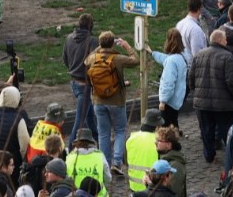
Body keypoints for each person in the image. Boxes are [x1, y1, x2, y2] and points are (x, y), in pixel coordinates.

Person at [83, 30, 139, 174]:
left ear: (100, 44)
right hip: (116, 101)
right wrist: (127, 46)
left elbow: (86, 60)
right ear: (113, 43)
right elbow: (135, 60)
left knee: (103, 134)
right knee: (120, 131)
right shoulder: (118, 58)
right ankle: (117, 163)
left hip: (98, 101)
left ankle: (105, 164)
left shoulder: (93, 58)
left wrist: (99, 48)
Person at [190, 28, 233, 165]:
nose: (226, 42)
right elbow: (232, 82)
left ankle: (209, 156)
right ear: (220, 40)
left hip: (202, 103)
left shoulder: (199, 54)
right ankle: (232, 157)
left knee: (206, 131)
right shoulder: (228, 56)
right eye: (225, 39)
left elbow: (191, 77)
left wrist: (196, 91)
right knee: (228, 132)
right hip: (224, 105)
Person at [64, 14, 98, 143]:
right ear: (91, 25)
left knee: (89, 115)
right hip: (86, 84)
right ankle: (72, 147)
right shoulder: (92, 41)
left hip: (73, 81)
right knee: (80, 120)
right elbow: (95, 63)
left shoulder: (69, 38)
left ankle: (96, 138)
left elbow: (65, 59)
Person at [146, 28, 187, 127]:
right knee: (173, 123)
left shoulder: (171, 61)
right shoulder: (181, 57)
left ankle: (173, 142)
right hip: (177, 99)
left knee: (167, 128)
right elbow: (165, 59)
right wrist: (152, 53)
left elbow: (168, 83)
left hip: (169, 101)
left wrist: (163, 101)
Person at [123, 109, 161, 193]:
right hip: (153, 186)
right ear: (157, 126)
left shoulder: (130, 138)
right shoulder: (160, 141)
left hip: (134, 186)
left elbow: (125, 161)